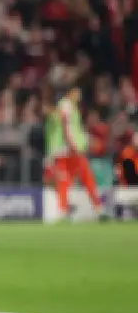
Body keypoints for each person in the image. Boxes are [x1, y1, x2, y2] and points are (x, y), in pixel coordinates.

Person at [46, 87, 105, 220]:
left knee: (65, 179)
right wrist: (72, 144)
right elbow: (67, 126)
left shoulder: (66, 106)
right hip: (69, 149)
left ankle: (63, 209)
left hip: (64, 149)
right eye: (77, 92)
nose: (79, 95)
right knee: (84, 175)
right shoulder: (67, 105)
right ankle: (97, 206)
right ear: (70, 92)